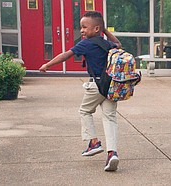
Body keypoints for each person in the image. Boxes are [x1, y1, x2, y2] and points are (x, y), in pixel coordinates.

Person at [39, 11, 122, 171]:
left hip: (96, 85)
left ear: (96, 28)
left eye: (84, 27)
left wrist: (47, 65)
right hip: (111, 85)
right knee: (110, 118)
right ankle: (112, 153)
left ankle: (93, 142)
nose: (82, 30)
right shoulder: (107, 43)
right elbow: (118, 44)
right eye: (81, 27)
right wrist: (105, 31)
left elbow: (66, 55)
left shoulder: (86, 44)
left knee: (85, 111)